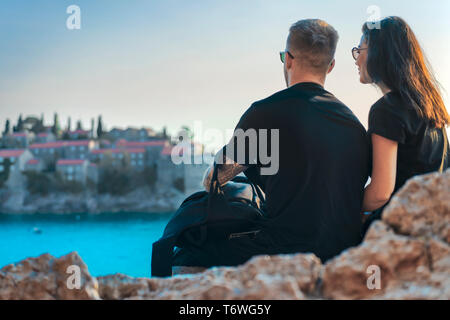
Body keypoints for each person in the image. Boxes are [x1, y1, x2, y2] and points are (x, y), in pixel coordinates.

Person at [172, 19, 371, 269]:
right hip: (342, 254)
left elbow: (215, 178)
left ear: (288, 59)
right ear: (330, 66)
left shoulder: (264, 113)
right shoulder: (353, 124)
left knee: (185, 253)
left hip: (285, 252)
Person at [353, 16, 450, 234]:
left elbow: (380, 193)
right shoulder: (430, 106)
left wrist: (341, 209)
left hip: (402, 230)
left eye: (360, 50)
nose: (357, 59)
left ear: (379, 53)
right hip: (435, 228)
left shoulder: (385, 110)